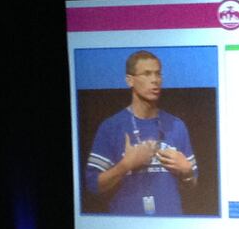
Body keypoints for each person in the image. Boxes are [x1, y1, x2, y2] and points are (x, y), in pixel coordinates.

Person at [85, 50, 199, 215]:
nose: (155, 80)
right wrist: (126, 165)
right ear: (129, 80)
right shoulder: (111, 127)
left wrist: (187, 172)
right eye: (146, 74)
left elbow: (193, 185)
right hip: (127, 228)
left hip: (171, 226)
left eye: (158, 74)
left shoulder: (176, 125)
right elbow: (93, 185)